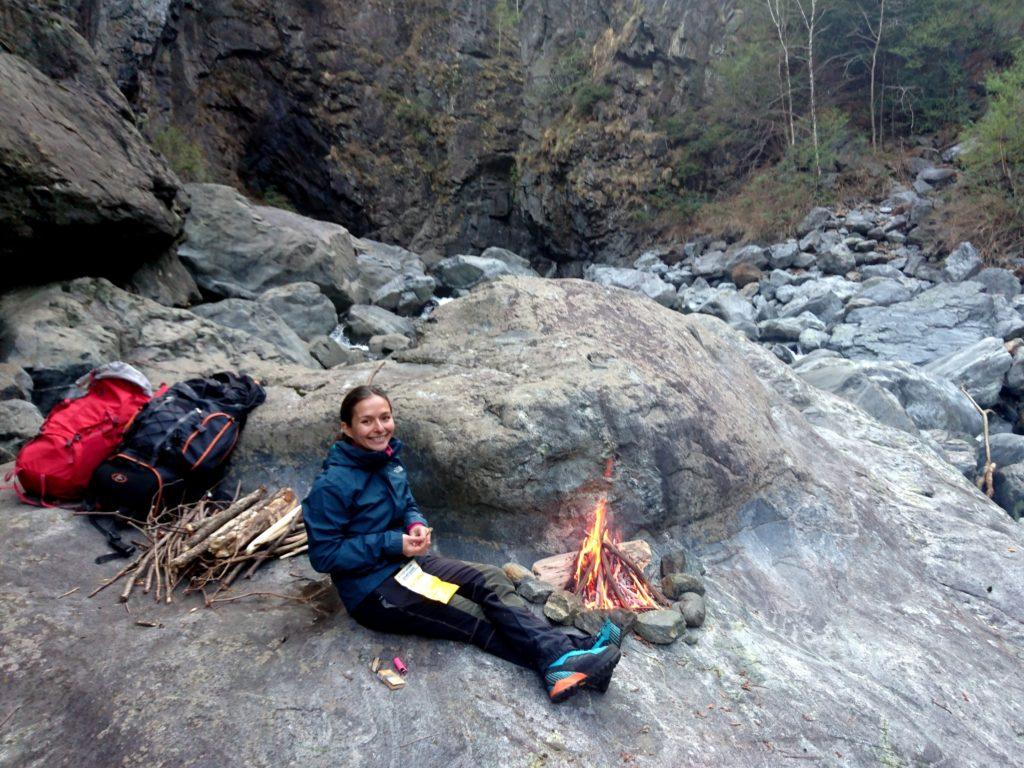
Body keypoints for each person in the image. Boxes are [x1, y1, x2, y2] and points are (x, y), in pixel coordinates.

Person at [302, 384, 623, 702]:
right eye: (367, 421)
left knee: (491, 578)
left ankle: (571, 656)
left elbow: (408, 504)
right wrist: (390, 543)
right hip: (374, 589)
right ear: (347, 427)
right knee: (471, 613)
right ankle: (564, 662)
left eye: (385, 417)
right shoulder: (333, 483)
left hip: (407, 564)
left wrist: (415, 525)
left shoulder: (387, 461)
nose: (379, 428)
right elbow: (324, 554)